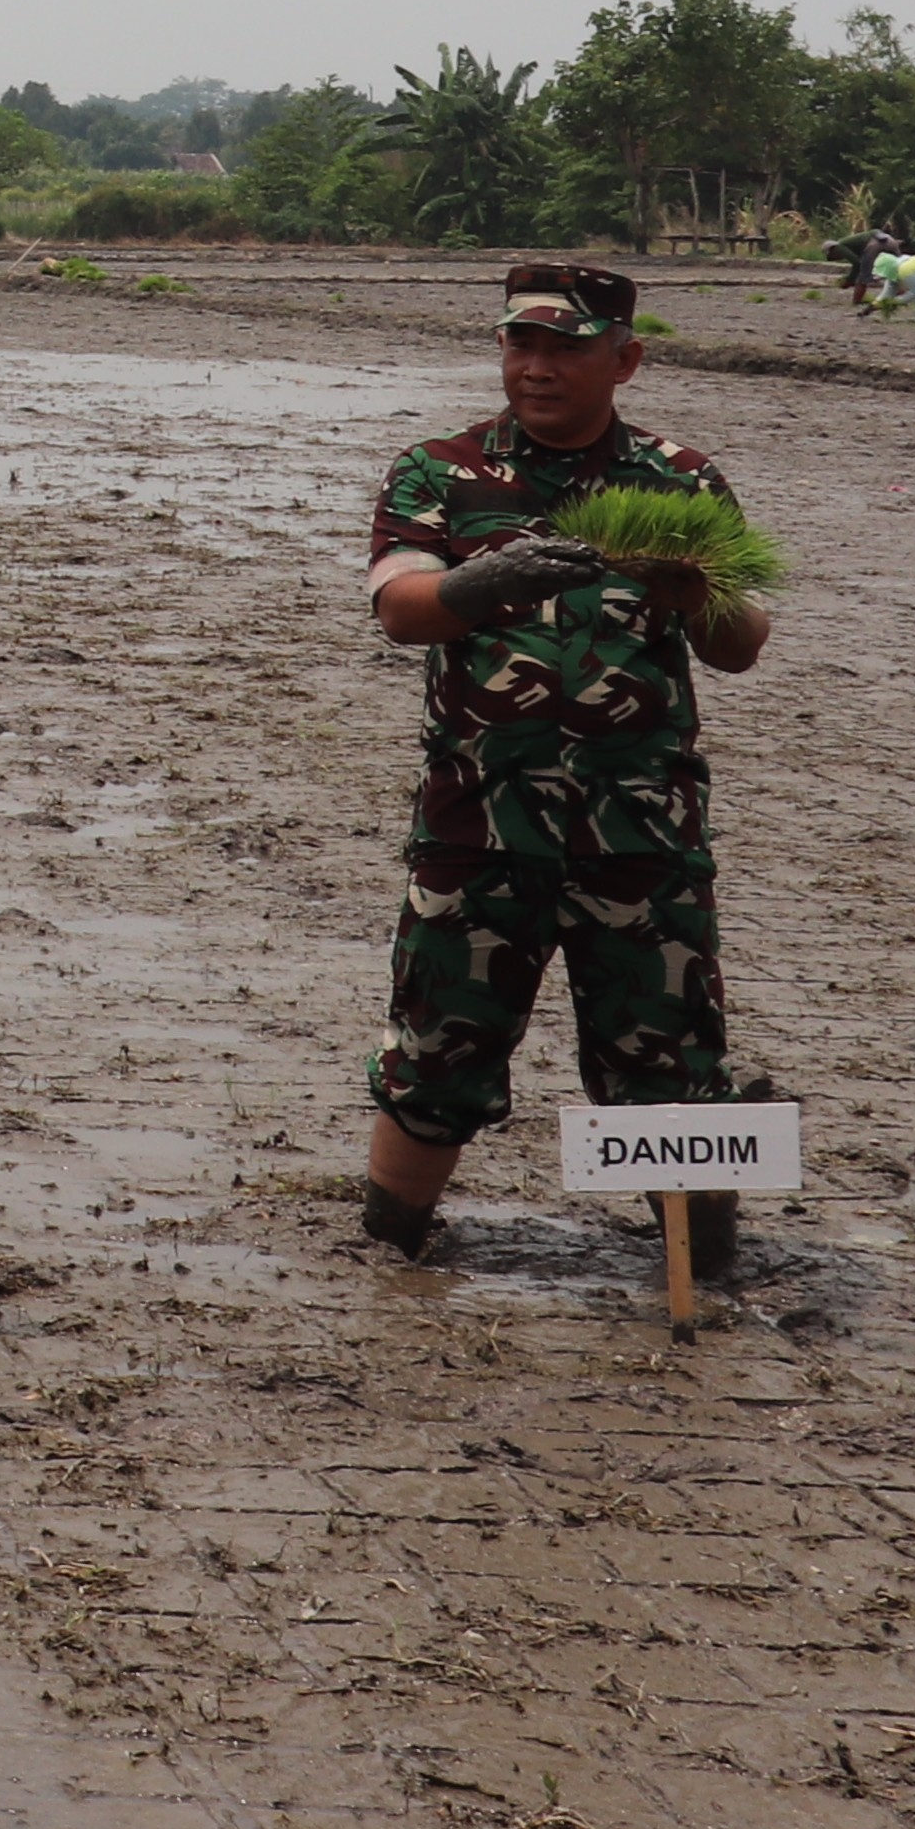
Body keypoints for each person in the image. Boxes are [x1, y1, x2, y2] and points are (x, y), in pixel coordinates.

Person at [351, 258, 778, 1268]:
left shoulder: (679, 479)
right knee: (440, 1042)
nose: (537, 367)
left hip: (642, 830)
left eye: (567, 348)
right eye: (520, 343)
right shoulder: (442, 471)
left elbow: (743, 639)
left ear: (623, 359)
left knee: (666, 1049)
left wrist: (688, 593)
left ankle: (693, 1259)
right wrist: (479, 582)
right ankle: (389, 1243)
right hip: (478, 822)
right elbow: (397, 608)